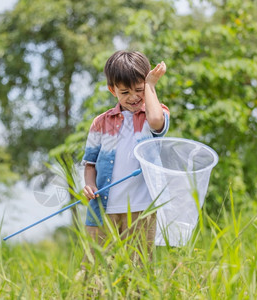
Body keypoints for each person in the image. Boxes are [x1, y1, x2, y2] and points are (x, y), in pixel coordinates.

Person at [81, 50, 170, 266]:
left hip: (141, 210)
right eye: (124, 92)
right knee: (93, 270)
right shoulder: (100, 123)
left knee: (138, 272)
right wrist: (89, 184)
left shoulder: (153, 115)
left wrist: (150, 85)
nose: (133, 97)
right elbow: (90, 163)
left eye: (139, 90)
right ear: (113, 90)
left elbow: (157, 119)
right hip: (103, 210)